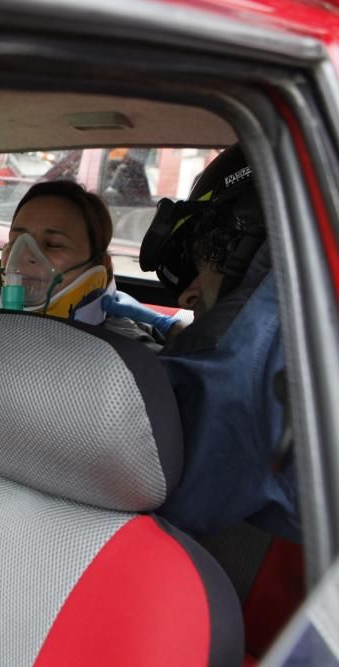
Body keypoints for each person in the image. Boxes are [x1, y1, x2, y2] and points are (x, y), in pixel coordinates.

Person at [104, 144, 299, 541]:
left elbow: (147, 492)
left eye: (203, 258)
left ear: (243, 247)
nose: (186, 297)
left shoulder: (241, 366)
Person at [0, 179, 162, 346]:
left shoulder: (129, 357)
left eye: (53, 244)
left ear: (99, 266)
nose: (24, 254)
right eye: (16, 240)